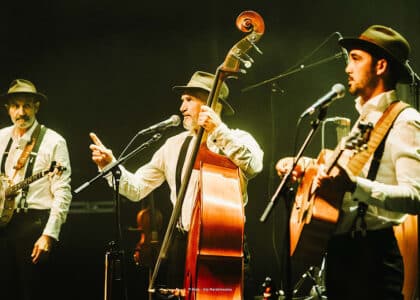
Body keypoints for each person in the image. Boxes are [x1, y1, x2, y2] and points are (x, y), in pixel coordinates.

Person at [89, 71, 264, 298]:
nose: (181, 107)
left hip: (224, 245)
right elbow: (137, 188)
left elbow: (254, 164)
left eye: (189, 100)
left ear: (213, 103)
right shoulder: (174, 145)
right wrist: (110, 165)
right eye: (182, 100)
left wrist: (218, 129)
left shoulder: (238, 138)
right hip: (182, 246)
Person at [276, 25, 420, 300]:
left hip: (373, 257)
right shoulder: (364, 123)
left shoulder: (404, 120)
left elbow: (415, 197)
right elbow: (338, 179)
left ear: (380, 65)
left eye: (356, 58)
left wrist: (354, 185)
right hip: (341, 254)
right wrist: (306, 166)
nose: (347, 69)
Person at [0, 79, 72, 300]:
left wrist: (49, 235)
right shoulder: (1, 137)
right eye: (16, 106)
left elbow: (63, 192)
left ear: (36, 107)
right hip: (2, 227)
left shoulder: (54, 141)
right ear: (8, 108)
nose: (21, 112)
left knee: (32, 293)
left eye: (27, 105)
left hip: (33, 227)